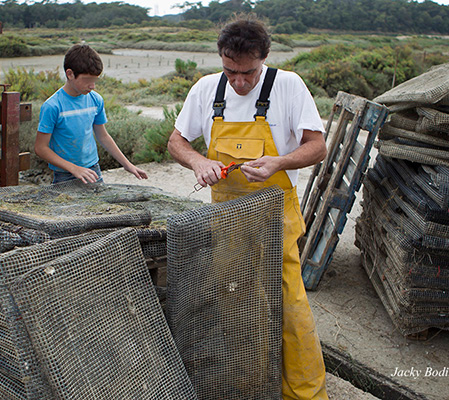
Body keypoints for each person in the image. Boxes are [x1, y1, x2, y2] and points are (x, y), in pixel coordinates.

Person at [167, 14, 329, 400]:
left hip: (275, 215)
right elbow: (177, 141)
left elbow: (317, 146)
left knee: (288, 302)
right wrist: (198, 162)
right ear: (221, 59)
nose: (239, 81)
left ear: (264, 59)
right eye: (230, 71)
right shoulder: (206, 89)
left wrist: (279, 162)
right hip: (225, 217)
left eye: (248, 73)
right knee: (235, 298)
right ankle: (251, 383)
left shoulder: (288, 86)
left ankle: (305, 393)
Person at [35, 44, 147, 184]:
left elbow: (103, 136)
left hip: (93, 170)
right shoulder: (52, 106)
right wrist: (74, 168)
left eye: (95, 80)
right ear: (70, 74)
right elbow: (40, 148)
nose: (92, 86)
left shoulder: (96, 99)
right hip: (64, 174)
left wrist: (127, 165)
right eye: (87, 80)